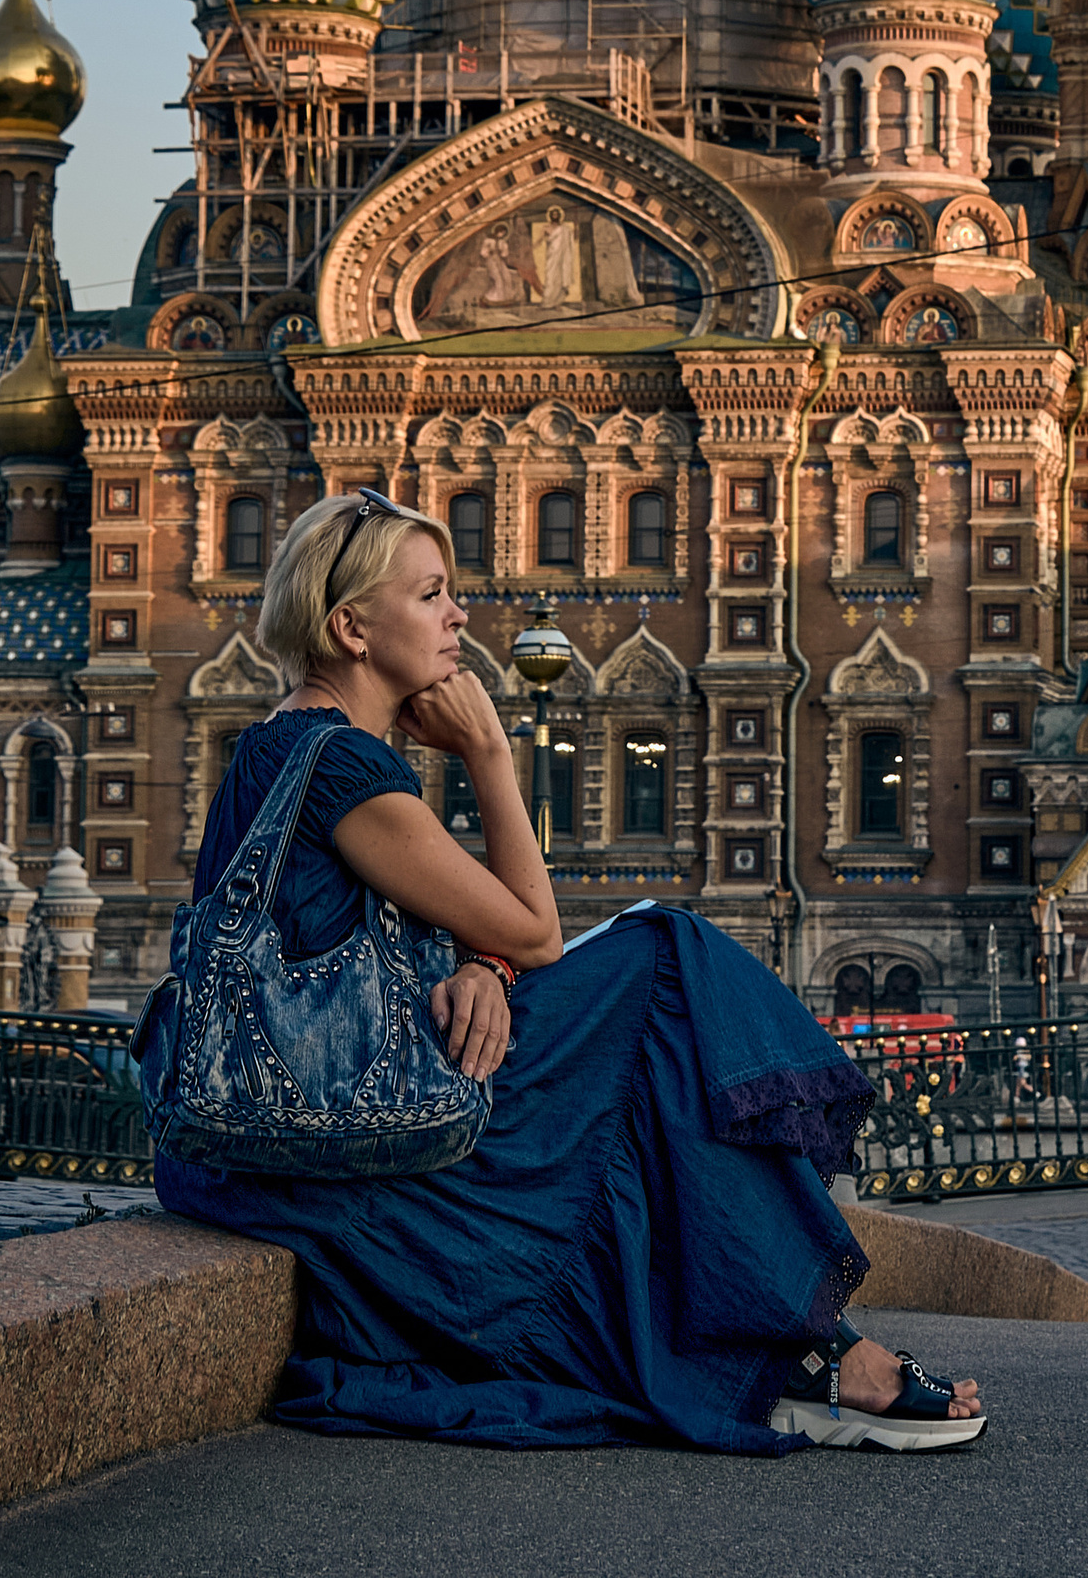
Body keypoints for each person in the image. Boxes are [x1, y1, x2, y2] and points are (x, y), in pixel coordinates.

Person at [152, 492, 985, 1450]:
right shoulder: (342, 766)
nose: (459, 614)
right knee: (663, 963)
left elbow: (453, 935)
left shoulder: (286, 746)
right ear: (351, 627)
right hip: (317, 1152)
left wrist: (481, 965)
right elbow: (541, 931)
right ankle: (800, 1349)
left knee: (638, 1048)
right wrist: (490, 751)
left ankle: (793, 1345)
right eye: (430, 594)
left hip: (269, 1134)